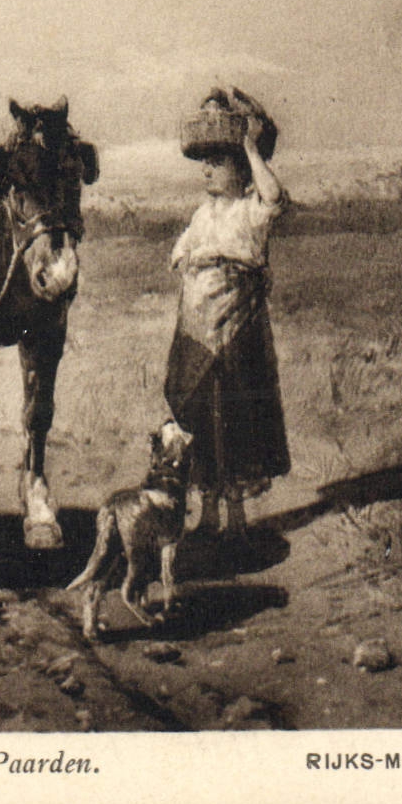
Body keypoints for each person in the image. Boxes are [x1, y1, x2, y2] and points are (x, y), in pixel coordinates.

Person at [163, 89, 291, 545]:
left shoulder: (249, 210)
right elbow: (179, 251)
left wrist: (252, 149)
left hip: (236, 334)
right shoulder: (204, 212)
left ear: (240, 168)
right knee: (199, 417)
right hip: (197, 329)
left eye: (218, 164)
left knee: (234, 419)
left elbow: (273, 196)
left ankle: (236, 515)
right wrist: (191, 257)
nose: (208, 172)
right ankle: (210, 511)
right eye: (206, 164)